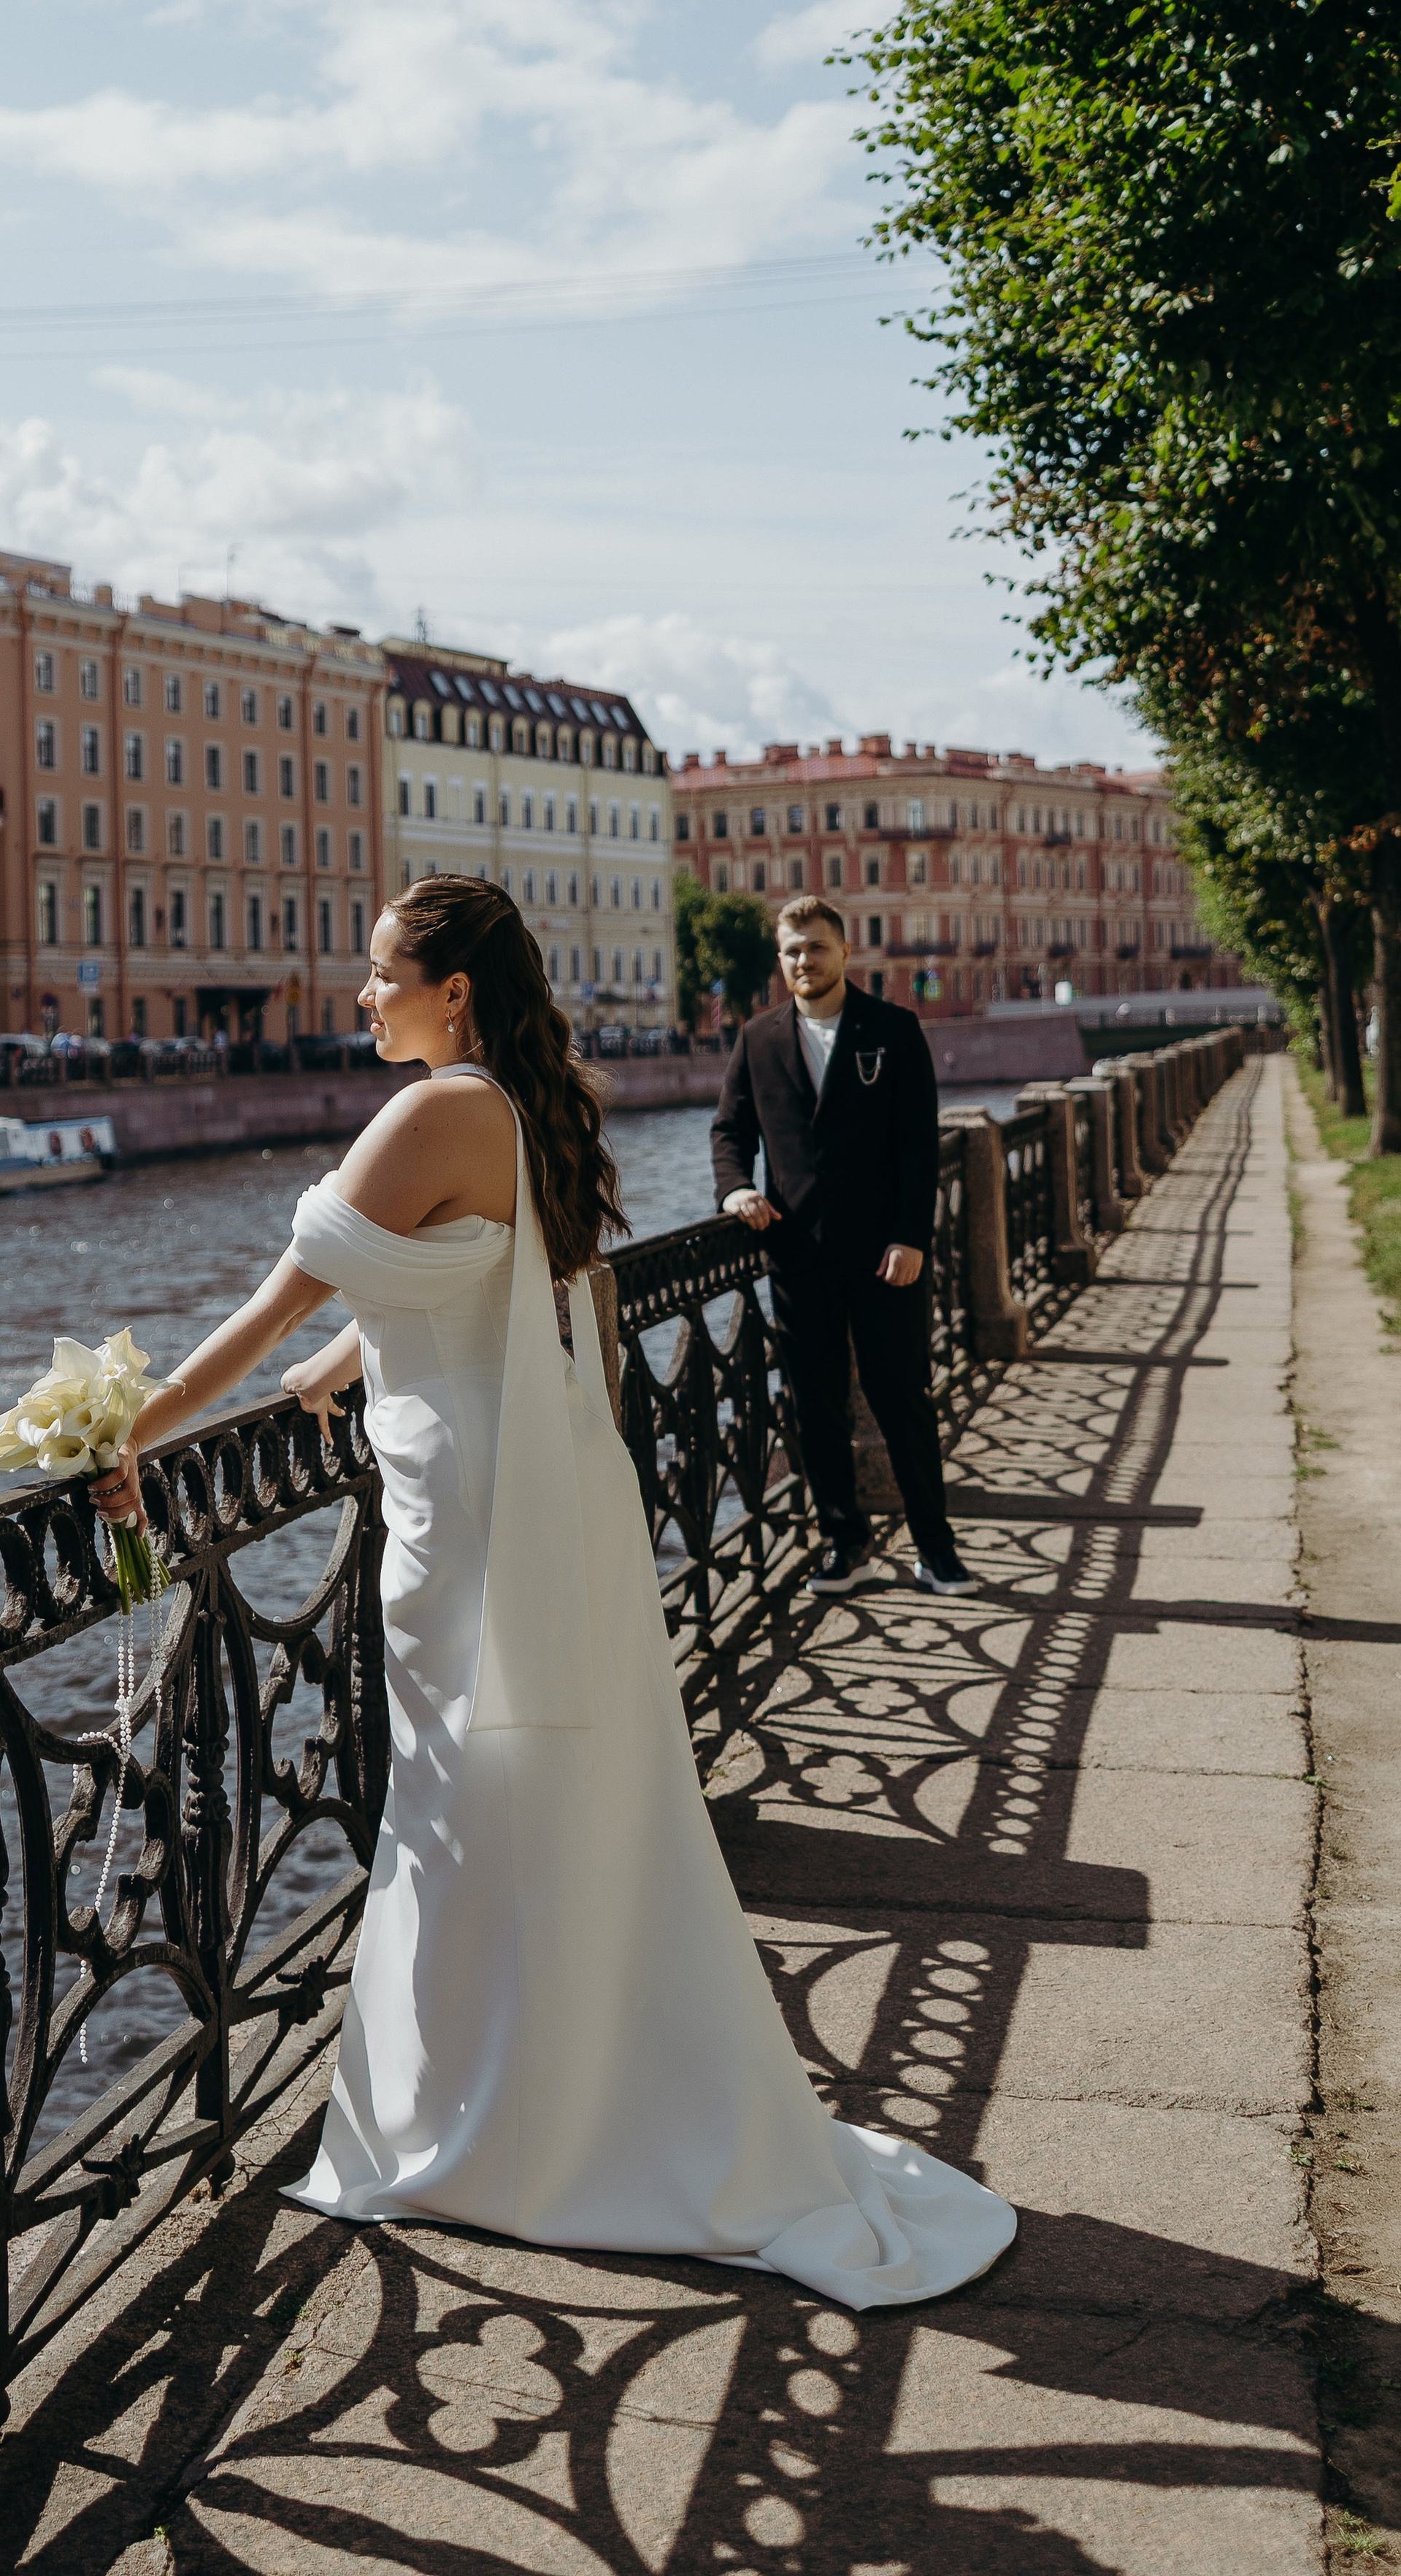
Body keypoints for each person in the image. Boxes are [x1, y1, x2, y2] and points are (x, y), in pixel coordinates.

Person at [91, 876, 1013, 2307]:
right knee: (538, 1801)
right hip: (547, 1489)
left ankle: (488, 2126)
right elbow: (514, 1278)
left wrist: (123, 1436)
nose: (361, 997)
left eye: (380, 973)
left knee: (465, 1809)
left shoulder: (429, 1113)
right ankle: (554, 2103)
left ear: (450, 988)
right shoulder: (521, 1108)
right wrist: (354, 1358)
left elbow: (276, 1299)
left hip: (468, 1516)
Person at [710, 895, 978, 1599]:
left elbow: (921, 1145)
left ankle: (937, 1552)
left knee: (903, 1400)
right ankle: (845, 1545)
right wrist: (736, 1188)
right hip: (797, 1254)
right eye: (793, 950)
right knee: (816, 1408)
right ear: (781, 959)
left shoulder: (893, 1029)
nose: (805, 961)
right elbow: (729, 1131)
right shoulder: (758, 1038)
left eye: (817, 947)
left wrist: (911, 1236)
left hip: (887, 1258)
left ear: (845, 951)